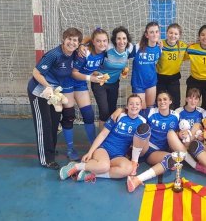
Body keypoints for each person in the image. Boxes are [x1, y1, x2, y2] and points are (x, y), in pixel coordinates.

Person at [124, 92, 206, 193]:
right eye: (159, 100)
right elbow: (132, 111)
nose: (162, 102)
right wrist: (120, 110)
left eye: (165, 99)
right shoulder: (150, 112)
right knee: (144, 128)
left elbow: (180, 132)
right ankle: (134, 162)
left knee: (171, 155)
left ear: (170, 101)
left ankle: (137, 180)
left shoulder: (176, 115)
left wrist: (182, 134)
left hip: (157, 153)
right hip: (145, 147)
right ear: (156, 102)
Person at [27, 27, 83, 169]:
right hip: (40, 91)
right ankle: (46, 159)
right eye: (69, 39)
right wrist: (48, 87)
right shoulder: (54, 54)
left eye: (75, 40)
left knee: (53, 123)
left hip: (55, 92)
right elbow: (36, 72)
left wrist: (81, 45)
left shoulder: (74, 53)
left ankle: (50, 149)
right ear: (63, 40)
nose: (72, 42)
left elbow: (87, 41)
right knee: (44, 125)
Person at [59, 94, 146, 182]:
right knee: (104, 166)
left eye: (137, 104)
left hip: (118, 155)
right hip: (104, 149)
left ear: (141, 106)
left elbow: (140, 142)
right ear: (127, 106)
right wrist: (90, 152)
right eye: (131, 104)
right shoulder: (118, 116)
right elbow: (103, 134)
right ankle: (76, 166)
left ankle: (93, 173)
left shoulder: (142, 122)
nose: (134, 106)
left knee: (128, 168)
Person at [61, 28, 109, 161]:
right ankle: (70, 148)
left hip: (81, 84)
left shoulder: (104, 53)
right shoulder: (85, 52)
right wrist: (90, 78)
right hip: (68, 82)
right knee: (69, 115)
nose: (102, 44)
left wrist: (97, 74)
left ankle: (94, 145)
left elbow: (91, 69)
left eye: (104, 41)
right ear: (93, 42)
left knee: (88, 115)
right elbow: (73, 72)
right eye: (98, 41)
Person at [91, 26, 133, 130]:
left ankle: (109, 135)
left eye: (124, 38)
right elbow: (91, 59)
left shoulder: (129, 49)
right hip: (99, 83)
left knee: (111, 111)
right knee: (104, 111)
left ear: (127, 39)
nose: (121, 41)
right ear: (114, 40)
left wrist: (124, 71)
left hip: (114, 84)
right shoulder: (107, 48)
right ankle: (101, 139)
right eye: (119, 38)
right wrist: (97, 73)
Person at [130, 22, 162, 109]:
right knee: (141, 109)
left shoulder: (159, 48)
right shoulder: (137, 47)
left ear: (159, 33)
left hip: (151, 82)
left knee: (150, 108)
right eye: (151, 32)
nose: (154, 34)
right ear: (146, 35)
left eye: (156, 31)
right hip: (138, 83)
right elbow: (124, 56)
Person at [156, 23, 188, 109]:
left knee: (175, 102)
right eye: (170, 33)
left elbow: (192, 54)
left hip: (174, 79)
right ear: (166, 33)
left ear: (179, 35)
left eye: (176, 34)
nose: (173, 35)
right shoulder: (159, 44)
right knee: (159, 101)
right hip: (160, 78)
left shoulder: (183, 46)